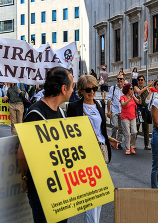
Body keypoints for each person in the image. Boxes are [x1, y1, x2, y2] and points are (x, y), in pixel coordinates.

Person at [18, 67, 73, 223]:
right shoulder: (35, 114)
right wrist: (24, 177)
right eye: (72, 85)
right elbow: (22, 155)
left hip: (61, 186)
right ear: (64, 89)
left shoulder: (61, 113)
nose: (73, 90)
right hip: (42, 189)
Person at [66, 75, 118, 223]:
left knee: (100, 193)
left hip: (102, 150)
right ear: (81, 90)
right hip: (85, 152)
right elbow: (70, 133)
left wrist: (109, 139)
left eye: (94, 88)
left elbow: (100, 129)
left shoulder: (99, 105)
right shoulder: (74, 107)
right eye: (88, 89)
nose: (92, 92)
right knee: (90, 193)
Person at [120, 83, 141, 155]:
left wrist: (139, 96)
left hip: (133, 117)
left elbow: (139, 102)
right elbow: (123, 104)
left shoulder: (133, 97)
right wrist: (130, 99)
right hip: (125, 117)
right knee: (127, 133)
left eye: (132, 89)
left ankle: (132, 146)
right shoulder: (122, 97)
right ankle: (128, 148)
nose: (132, 90)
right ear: (127, 90)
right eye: (131, 89)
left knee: (134, 132)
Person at [134, 75, 153, 150]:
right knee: (136, 128)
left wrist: (150, 90)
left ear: (144, 81)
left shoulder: (146, 89)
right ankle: (133, 144)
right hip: (138, 110)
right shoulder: (136, 87)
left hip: (145, 110)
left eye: (142, 80)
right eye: (139, 80)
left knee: (146, 128)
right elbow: (139, 92)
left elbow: (148, 96)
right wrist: (147, 86)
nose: (140, 81)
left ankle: (146, 145)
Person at [107, 74, 125, 150]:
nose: (119, 80)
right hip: (114, 110)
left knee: (121, 128)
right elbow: (109, 100)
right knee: (115, 126)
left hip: (123, 111)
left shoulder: (125, 89)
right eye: (118, 79)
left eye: (121, 79)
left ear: (124, 80)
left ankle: (119, 142)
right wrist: (108, 111)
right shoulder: (113, 88)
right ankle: (112, 140)